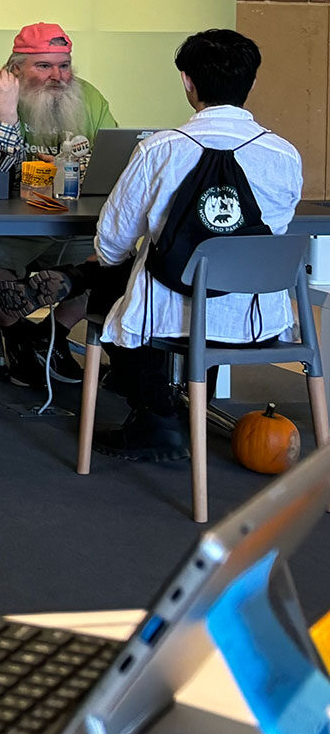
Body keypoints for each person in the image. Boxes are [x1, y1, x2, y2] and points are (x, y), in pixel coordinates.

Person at [47, 30, 302, 462]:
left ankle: (157, 413)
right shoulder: (285, 156)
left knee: (113, 275)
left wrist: (106, 261)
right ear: (251, 84)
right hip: (256, 317)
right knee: (157, 270)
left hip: (166, 317)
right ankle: (184, 402)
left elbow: (111, 242)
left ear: (187, 81)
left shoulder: (160, 150)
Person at [0, 22, 118, 386]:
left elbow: (111, 158)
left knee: (114, 258)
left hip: (66, 221)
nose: (58, 76)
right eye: (44, 66)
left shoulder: (89, 97)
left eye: (64, 65)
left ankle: (51, 335)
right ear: (15, 68)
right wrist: (5, 116)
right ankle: (17, 335)